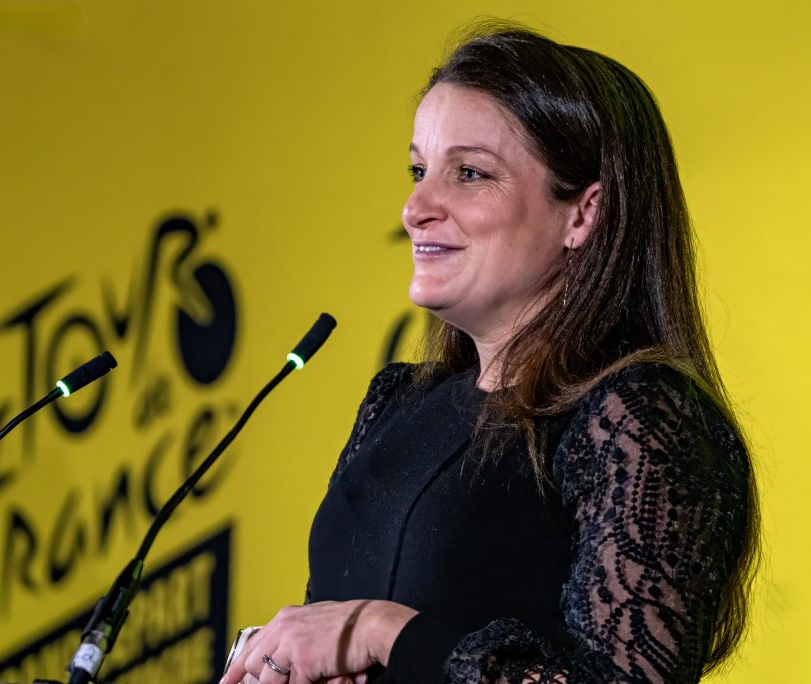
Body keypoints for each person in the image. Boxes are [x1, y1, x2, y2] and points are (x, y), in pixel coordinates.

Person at [222, 22, 758, 684]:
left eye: (469, 174)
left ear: (583, 214)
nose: (416, 206)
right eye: (420, 170)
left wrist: (380, 630)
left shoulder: (638, 417)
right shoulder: (395, 404)